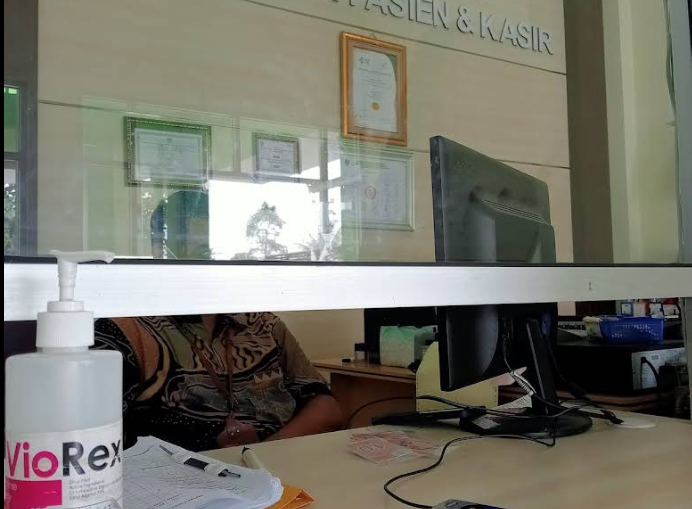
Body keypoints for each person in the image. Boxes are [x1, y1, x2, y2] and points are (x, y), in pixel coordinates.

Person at [94, 313, 343, 452]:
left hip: (279, 468)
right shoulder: (124, 329)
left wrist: (269, 448)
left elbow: (326, 407)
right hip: (181, 484)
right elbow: (94, 443)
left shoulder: (265, 325)